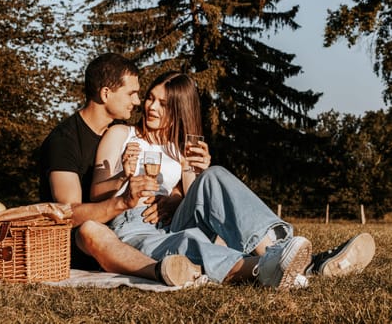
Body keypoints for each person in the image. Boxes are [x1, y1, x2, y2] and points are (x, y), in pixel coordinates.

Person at [90, 71, 376, 289]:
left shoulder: (181, 148)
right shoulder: (121, 134)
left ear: (179, 110)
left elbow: (198, 201)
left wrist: (198, 171)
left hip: (173, 220)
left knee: (215, 175)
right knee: (188, 239)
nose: (151, 107)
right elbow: (95, 195)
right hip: (136, 224)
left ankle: (280, 250)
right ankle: (304, 265)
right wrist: (123, 177)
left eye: (163, 104)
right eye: (151, 98)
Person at [39, 53, 202, 286]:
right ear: (106, 94)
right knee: (89, 229)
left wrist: (175, 198)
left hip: (123, 232)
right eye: (132, 93)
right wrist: (124, 201)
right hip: (80, 245)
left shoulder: (116, 134)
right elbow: (69, 214)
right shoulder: (64, 141)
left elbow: (172, 180)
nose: (138, 102)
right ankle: (159, 271)